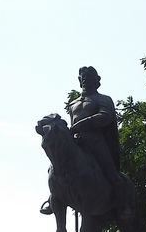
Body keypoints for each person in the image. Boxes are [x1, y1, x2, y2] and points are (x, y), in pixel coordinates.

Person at [40, 66, 121, 215]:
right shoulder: (73, 104)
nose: (85, 80)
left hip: (95, 142)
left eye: (89, 78)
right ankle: (54, 197)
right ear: (79, 81)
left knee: (112, 173)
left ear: (96, 81)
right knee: (54, 167)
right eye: (83, 78)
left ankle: (121, 201)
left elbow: (105, 116)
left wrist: (85, 123)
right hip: (76, 142)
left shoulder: (103, 99)